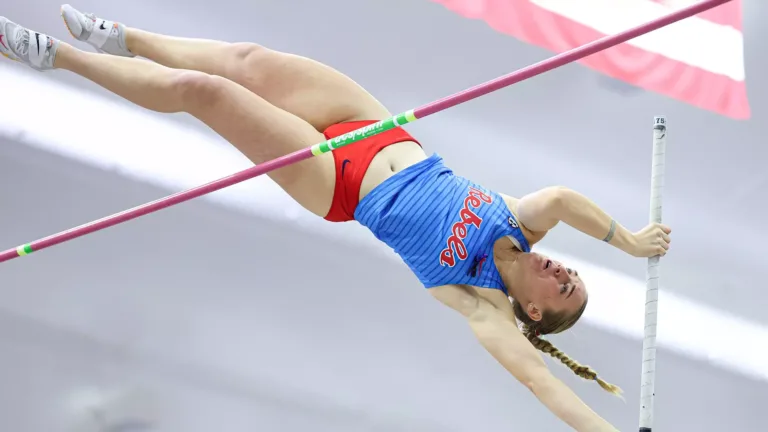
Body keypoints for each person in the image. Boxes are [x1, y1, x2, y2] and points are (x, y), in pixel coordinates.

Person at [0, 6, 672, 431]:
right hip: (373, 127)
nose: (560, 271)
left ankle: (54, 56)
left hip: (340, 186)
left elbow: (541, 383)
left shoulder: (483, 308)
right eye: (573, 273)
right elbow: (560, 197)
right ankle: (129, 38)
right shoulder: (524, 225)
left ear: (531, 313)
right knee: (247, 61)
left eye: (562, 290)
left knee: (202, 92)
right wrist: (631, 242)